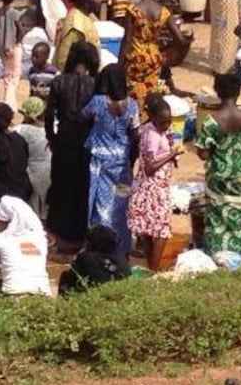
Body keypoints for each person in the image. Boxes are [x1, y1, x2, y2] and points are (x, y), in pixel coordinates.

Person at [195, 72, 241, 258]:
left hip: (217, 176)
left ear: (217, 91)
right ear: (239, 91)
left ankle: (216, 258)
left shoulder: (211, 122)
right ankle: (238, 259)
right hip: (239, 174)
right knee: (237, 217)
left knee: (216, 220)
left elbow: (203, 153)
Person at [45, 41, 99, 252]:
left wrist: (52, 139)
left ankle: (61, 235)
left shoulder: (59, 82)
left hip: (64, 141)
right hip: (87, 143)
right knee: (82, 188)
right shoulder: (95, 84)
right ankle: (80, 234)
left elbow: (49, 117)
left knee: (61, 188)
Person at [83, 64, 138, 258]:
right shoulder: (132, 104)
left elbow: (83, 115)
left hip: (100, 161)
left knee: (102, 206)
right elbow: (135, 132)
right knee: (121, 205)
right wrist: (131, 160)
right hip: (122, 161)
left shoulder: (98, 102)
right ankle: (121, 249)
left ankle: (102, 249)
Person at [130, 94, 184, 270]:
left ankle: (150, 266)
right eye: (163, 122)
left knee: (147, 228)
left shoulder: (155, 129)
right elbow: (150, 167)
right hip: (153, 188)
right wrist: (172, 155)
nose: (166, 126)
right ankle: (154, 270)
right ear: (152, 118)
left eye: (169, 122)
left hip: (152, 186)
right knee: (161, 230)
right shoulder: (152, 135)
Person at [122, 0, 187, 105]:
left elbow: (127, 40)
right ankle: (150, 115)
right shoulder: (164, 12)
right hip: (154, 58)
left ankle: (137, 117)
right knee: (151, 90)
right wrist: (163, 51)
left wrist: (120, 64)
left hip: (136, 58)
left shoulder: (133, 10)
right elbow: (180, 39)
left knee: (134, 91)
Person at [0, 196, 51, 297]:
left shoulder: (0, 240)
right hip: (43, 295)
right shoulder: (41, 238)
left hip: (13, 295)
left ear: (11, 222)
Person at [57, 225, 129, 295]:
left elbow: (73, 274)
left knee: (65, 277)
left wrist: (83, 250)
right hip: (116, 293)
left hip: (95, 294)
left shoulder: (87, 258)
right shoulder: (122, 258)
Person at [14, 96, 51, 218]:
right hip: (49, 170)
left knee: (33, 203)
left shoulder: (22, 130)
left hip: (30, 171)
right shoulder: (52, 128)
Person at [53, 0, 100, 71]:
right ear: (86, 4)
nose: (98, 2)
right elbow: (64, 60)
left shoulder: (86, 16)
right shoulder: (76, 25)